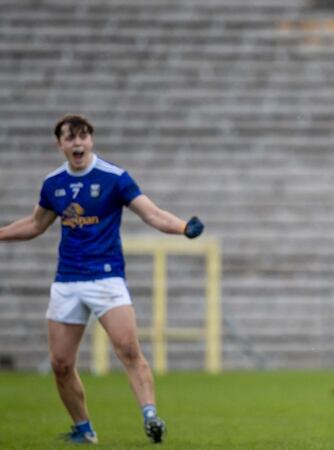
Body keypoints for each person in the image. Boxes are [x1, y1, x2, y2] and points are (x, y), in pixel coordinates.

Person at [0, 114, 205, 444]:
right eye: (70, 138)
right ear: (60, 145)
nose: (77, 143)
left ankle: (150, 416)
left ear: (91, 140)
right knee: (61, 364)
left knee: (127, 349)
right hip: (67, 281)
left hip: (107, 278)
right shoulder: (53, 184)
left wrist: (183, 227)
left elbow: (151, 213)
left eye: (83, 136)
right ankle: (84, 430)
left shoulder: (114, 178)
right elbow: (35, 225)